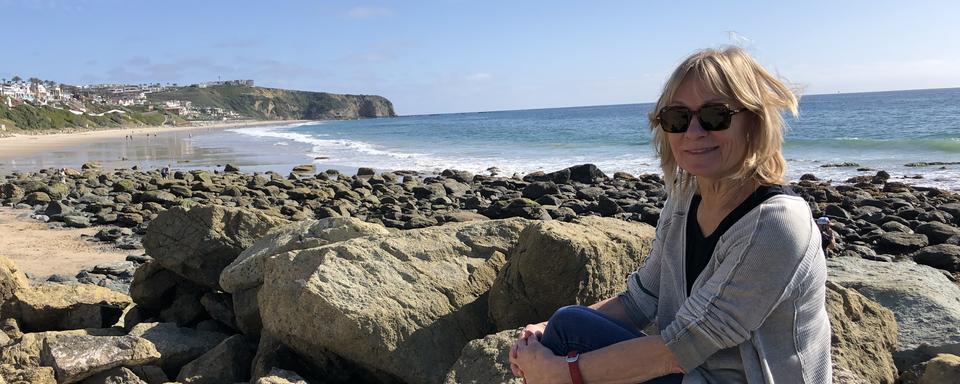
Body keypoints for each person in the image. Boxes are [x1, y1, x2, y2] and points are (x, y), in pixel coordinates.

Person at [510, 47, 831, 383]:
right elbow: (640, 300)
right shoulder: (684, 200)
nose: (693, 132)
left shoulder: (775, 225)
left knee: (562, 356)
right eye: (677, 118)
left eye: (714, 116)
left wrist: (559, 372)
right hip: (693, 373)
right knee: (564, 325)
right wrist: (542, 334)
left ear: (753, 120)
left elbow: (677, 349)